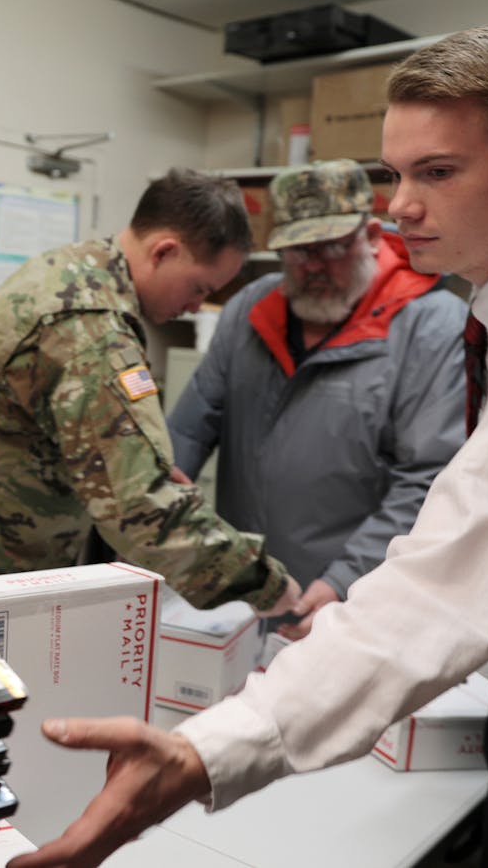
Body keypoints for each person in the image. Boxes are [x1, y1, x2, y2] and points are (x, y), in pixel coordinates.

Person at [8, 25, 488, 868]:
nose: (400, 207)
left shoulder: (470, 327)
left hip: (374, 609)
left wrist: (220, 739)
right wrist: (165, 518)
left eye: (438, 172)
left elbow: (442, 549)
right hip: (295, 618)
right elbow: (187, 429)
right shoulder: (259, 312)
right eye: (395, 174)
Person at [0, 169, 299, 615]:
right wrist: (268, 588)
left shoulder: (73, 268)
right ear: (164, 250)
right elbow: (140, 507)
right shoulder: (92, 330)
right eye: (199, 288)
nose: (194, 306)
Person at [167, 158, 466, 639]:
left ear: (370, 236)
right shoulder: (252, 308)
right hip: (244, 594)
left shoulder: (431, 326)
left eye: (331, 247)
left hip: (358, 601)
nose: (314, 267)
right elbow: (188, 429)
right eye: (298, 251)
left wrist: (343, 581)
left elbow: (429, 477)